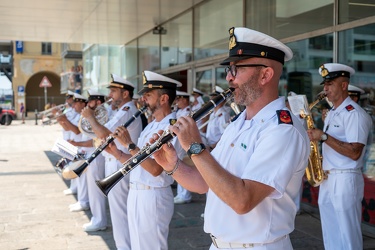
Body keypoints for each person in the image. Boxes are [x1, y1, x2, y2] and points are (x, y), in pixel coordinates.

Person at [151, 27, 310, 249]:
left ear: (265, 74)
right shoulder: (238, 122)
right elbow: (206, 183)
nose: (229, 77)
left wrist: (195, 147)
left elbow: (242, 200)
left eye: (236, 69)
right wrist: (173, 166)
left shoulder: (283, 130)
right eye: (228, 69)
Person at [105, 70, 185, 250]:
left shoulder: (173, 128)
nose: (143, 100)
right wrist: (116, 153)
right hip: (137, 192)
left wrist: (130, 144)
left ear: (163, 99)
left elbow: (156, 169)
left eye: (148, 95)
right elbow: (137, 161)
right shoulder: (151, 125)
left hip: (153, 194)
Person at [307, 63, 372, 250]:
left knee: (347, 235)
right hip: (329, 177)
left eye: (330, 84)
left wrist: (324, 137)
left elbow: (354, 152)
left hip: (345, 177)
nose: (325, 88)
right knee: (331, 233)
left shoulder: (354, 114)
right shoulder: (335, 112)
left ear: (344, 86)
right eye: (324, 84)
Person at [81, 74, 143, 250]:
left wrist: (90, 117)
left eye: (114, 92)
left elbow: (106, 136)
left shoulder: (127, 111)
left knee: (120, 213)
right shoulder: (121, 111)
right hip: (116, 160)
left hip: (121, 162)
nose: (110, 96)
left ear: (125, 94)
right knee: (119, 212)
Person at [68, 89, 107, 232]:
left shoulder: (100, 116)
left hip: (96, 155)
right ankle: (97, 218)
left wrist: (77, 144)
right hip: (91, 155)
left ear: (98, 102)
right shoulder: (93, 115)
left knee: (96, 190)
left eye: (90, 101)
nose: (87, 104)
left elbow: (95, 140)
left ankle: (99, 220)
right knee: (91, 188)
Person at [57, 93, 90, 212]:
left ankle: (84, 201)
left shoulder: (83, 116)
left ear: (82, 103)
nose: (74, 105)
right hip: (77, 146)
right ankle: (81, 200)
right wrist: (62, 121)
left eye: (76, 103)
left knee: (82, 177)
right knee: (77, 175)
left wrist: (65, 120)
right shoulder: (78, 115)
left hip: (82, 147)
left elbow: (76, 131)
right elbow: (68, 128)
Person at [173, 90, 193, 204]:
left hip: (184, 141)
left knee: (183, 167)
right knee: (178, 166)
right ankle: (180, 194)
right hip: (179, 141)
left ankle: (185, 195)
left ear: (185, 100)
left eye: (179, 99)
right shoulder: (180, 111)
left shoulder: (187, 112)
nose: (177, 102)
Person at [205, 86, 231, 150]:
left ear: (222, 100)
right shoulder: (213, 114)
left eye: (214, 98)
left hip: (216, 148)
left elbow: (225, 136)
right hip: (209, 144)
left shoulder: (223, 115)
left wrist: (211, 147)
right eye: (212, 97)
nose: (211, 99)